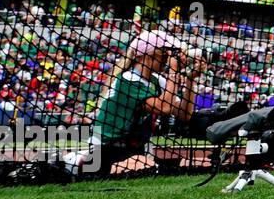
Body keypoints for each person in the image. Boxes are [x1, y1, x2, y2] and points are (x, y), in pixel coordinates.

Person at [65, 29, 203, 176]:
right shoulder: (128, 80)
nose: (166, 57)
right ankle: (76, 162)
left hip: (132, 150)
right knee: (144, 166)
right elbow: (164, 108)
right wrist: (173, 71)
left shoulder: (156, 81)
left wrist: (190, 79)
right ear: (147, 54)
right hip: (104, 149)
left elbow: (184, 114)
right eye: (164, 52)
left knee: (169, 164)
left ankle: (75, 161)